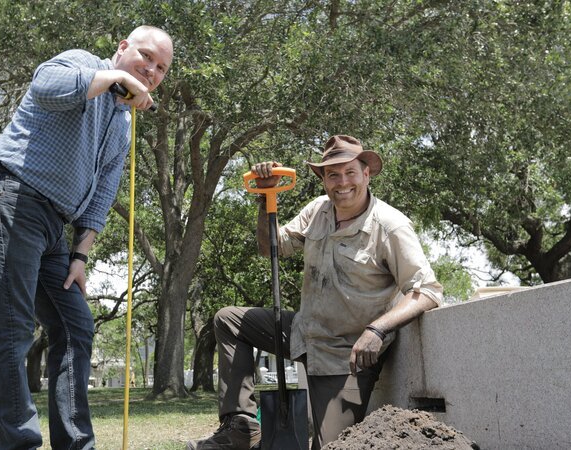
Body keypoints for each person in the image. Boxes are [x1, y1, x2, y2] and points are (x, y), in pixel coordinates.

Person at [0, 26, 173, 450]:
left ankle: (76, 444)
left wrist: (81, 255)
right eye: (145, 57)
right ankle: (18, 444)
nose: (151, 70)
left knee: (76, 327)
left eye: (161, 68)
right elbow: (45, 86)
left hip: (53, 227)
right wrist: (114, 79)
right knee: (12, 329)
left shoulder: (123, 124)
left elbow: (103, 193)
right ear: (122, 48)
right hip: (10, 196)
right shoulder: (83, 63)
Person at [187, 135, 443, 450]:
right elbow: (272, 248)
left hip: (347, 356)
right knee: (229, 320)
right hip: (303, 334)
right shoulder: (318, 210)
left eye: (350, 172)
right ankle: (240, 427)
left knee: (330, 447)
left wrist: (378, 329)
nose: (342, 182)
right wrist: (264, 197)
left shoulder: (390, 226)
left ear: (367, 174)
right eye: (333, 174)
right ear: (323, 180)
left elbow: (427, 290)